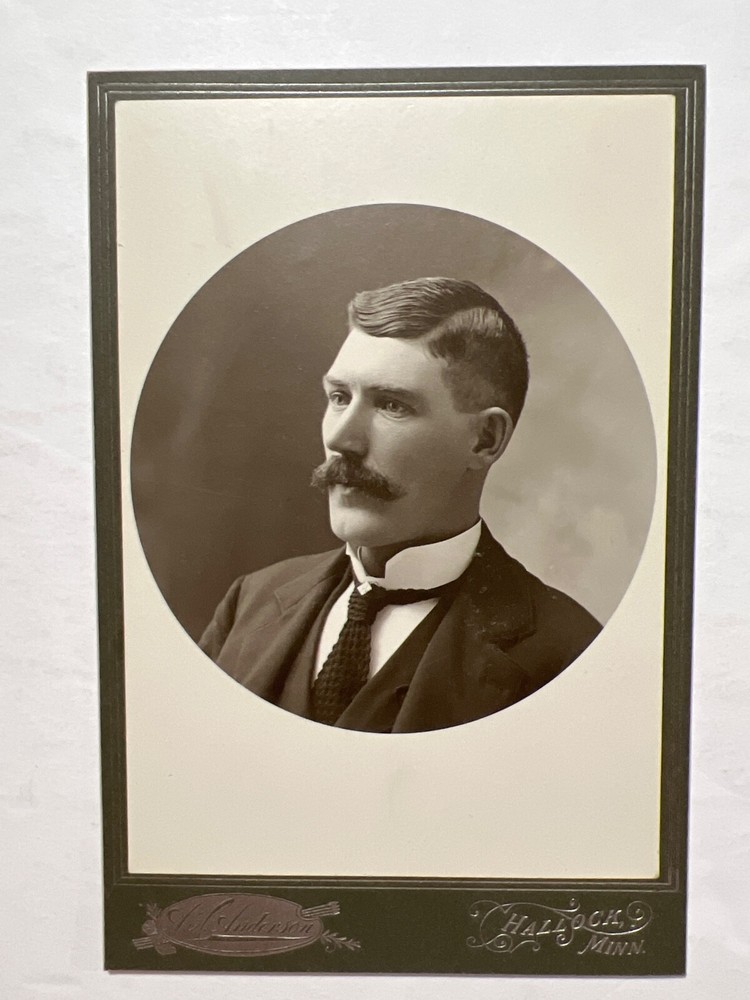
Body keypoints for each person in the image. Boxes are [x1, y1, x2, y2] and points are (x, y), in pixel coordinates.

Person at [199, 277, 601, 733]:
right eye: (338, 397)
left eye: (391, 404)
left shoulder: (570, 655)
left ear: (485, 440)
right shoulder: (248, 603)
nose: (340, 438)